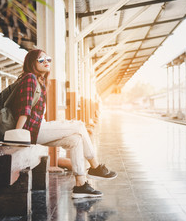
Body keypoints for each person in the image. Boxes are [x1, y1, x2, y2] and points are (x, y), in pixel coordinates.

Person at [10, 49, 117, 198]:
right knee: (79, 125)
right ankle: (96, 167)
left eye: (48, 59)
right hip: (32, 129)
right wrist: (17, 134)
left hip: (38, 128)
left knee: (75, 140)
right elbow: (25, 109)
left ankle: (80, 184)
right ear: (31, 63)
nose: (46, 62)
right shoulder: (30, 78)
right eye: (41, 60)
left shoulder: (39, 81)